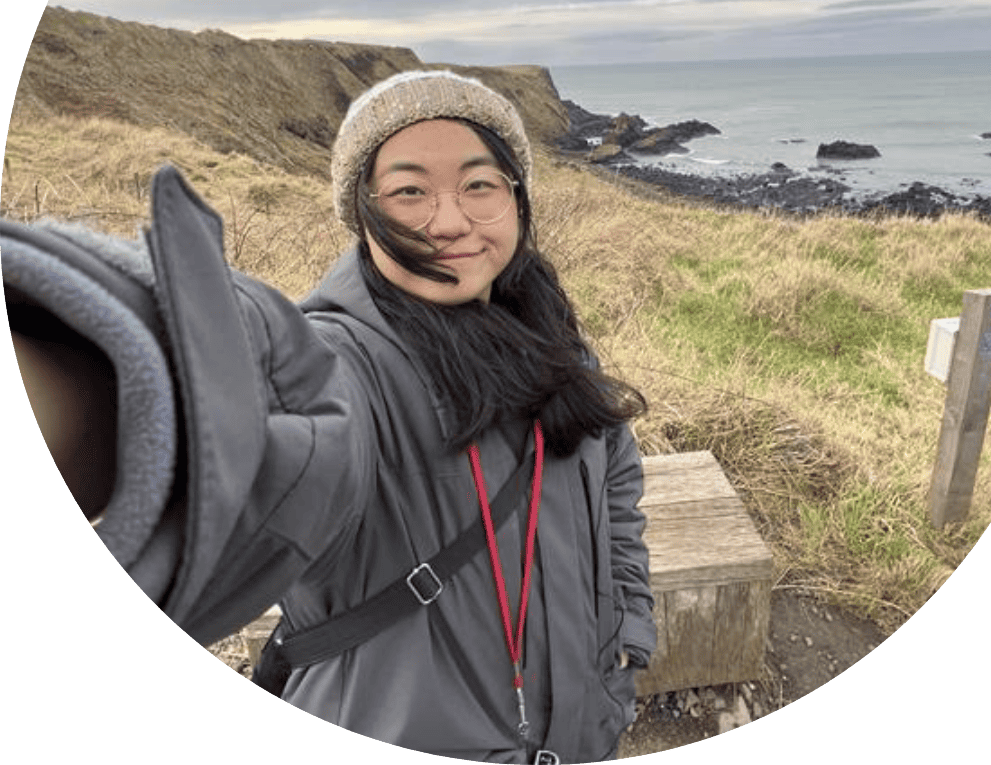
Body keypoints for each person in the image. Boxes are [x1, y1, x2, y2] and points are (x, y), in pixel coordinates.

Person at [3, 70, 655, 764]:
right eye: (409, 191)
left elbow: (614, 477)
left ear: (517, 199)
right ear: (362, 214)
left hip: (585, 735)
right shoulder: (347, 360)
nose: (450, 221)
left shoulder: (552, 339)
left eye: (479, 184)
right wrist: (102, 357)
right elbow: (270, 407)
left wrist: (626, 638)